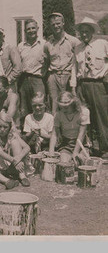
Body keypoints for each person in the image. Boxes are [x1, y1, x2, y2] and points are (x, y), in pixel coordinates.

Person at [73, 17, 108, 158]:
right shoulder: (77, 48)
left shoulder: (102, 44)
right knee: (85, 116)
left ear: (92, 31)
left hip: (98, 84)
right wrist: (73, 87)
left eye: (87, 31)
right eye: (82, 32)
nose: (84, 34)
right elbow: (74, 69)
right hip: (83, 84)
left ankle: (105, 148)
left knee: (101, 116)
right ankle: (91, 147)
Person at [0, 113, 31, 189]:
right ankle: (7, 181)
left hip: (16, 164)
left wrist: (18, 159)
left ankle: (22, 176)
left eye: (5, 127)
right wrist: (15, 161)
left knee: (15, 142)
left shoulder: (13, 134)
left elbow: (27, 147)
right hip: (4, 163)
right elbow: (0, 152)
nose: (2, 129)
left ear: (10, 127)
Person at [43, 12, 81, 114]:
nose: (56, 26)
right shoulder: (47, 44)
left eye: (58, 23)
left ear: (63, 23)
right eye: (53, 24)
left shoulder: (74, 41)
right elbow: (46, 62)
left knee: (69, 103)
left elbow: (78, 61)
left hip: (68, 76)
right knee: (54, 104)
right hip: (53, 76)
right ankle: (55, 128)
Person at [49, 91, 90, 164]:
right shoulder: (58, 114)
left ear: (73, 103)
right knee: (64, 163)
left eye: (66, 107)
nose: (63, 109)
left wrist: (76, 152)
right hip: (66, 144)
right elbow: (54, 134)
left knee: (79, 161)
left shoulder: (83, 112)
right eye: (61, 107)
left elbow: (82, 133)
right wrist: (51, 152)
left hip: (81, 144)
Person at [17, 19, 46, 121]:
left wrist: (44, 74)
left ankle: (41, 130)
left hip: (38, 79)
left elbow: (48, 61)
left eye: (33, 28)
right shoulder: (21, 46)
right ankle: (26, 131)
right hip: (23, 80)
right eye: (28, 29)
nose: (31, 30)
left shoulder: (44, 44)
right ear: (25, 31)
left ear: (37, 29)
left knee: (39, 105)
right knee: (24, 106)